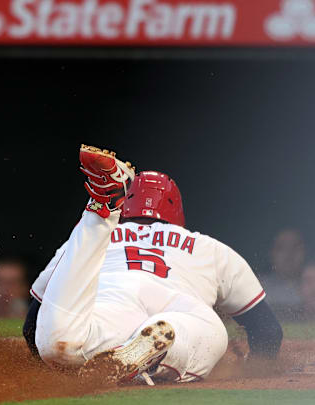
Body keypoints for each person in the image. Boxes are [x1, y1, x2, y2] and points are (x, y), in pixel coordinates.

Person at [23, 145, 282, 384]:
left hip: (111, 306)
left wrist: (63, 368)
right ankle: (152, 353)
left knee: (60, 344)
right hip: (182, 310)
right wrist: (255, 371)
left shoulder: (86, 243)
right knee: (206, 332)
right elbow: (268, 331)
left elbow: (32, 324)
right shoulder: (209, 248)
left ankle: (99, 212)